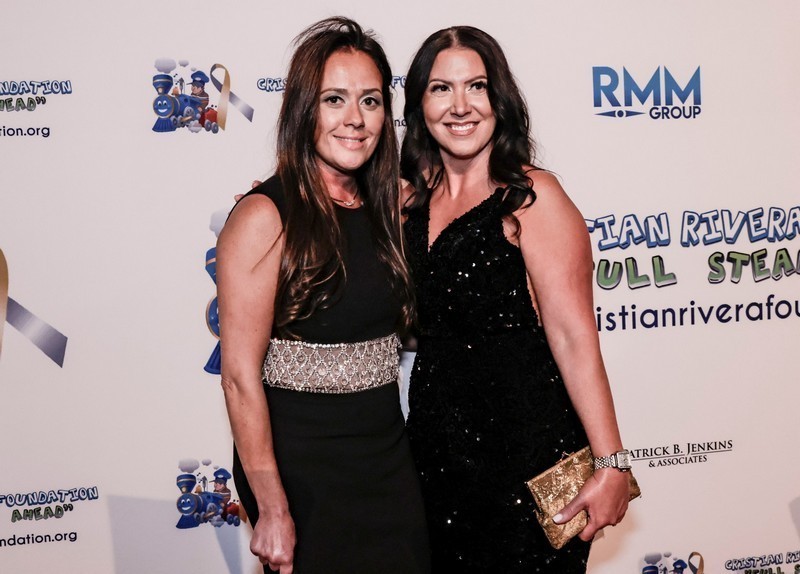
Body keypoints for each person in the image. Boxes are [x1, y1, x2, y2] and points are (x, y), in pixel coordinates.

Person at [400, 26, 631, 572]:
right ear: (419, 106)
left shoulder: (532, 197)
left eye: (476, 86)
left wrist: (612, 462)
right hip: (435, 456)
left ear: (499, 99)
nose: (460, 106)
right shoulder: (408, 202)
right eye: (441, 88)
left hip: (527, 457)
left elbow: (574, 337)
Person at [216, 17, 429, 574]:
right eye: (335, 99)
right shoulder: (264, 217)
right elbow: (238, 377)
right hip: (302, 471)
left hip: (386, 459)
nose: (355, 118)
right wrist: (272, 507)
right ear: (303, 109)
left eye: (370, 101)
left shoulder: (390, 210)